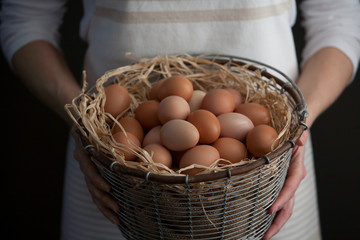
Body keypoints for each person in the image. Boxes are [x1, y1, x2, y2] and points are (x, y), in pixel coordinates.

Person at [1, 0, 359, 239]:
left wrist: (295, 126)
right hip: (116, 181)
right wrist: (84, 121)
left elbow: (341, 19)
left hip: (265, 185)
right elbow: (25, 16)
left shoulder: (262, 137)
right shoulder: (126, 144)